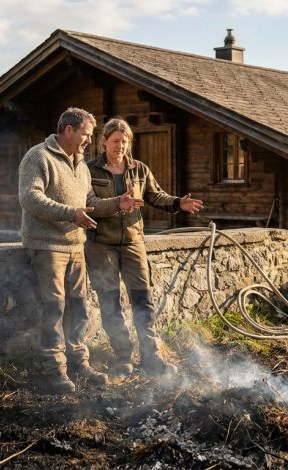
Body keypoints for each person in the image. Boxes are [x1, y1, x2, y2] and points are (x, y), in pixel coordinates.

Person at [19, 107, 136, 395]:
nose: (88, 140)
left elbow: (90, 202)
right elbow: (30, 197)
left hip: (75, 246)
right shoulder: (39, 157)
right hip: (47, 246)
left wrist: (116, 204)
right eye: (85, 134)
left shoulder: (80, 165)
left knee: (79, 307)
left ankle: (79, 363)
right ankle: (54, 370)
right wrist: (71, 214)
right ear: (68, 130)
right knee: (54, 308)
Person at [85, 117, 204, 377]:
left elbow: (154, 195)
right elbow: (90, 203)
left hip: (133, 244)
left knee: (143, 301)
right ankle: (123, 357)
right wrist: (119, 203)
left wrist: (177, 203)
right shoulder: (89, 169)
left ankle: (152, 357)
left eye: (125, 142)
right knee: (110, 303)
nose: (120, 146)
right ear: (103, 141)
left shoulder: (139, 169)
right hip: (100, 246)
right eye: (115, 141)